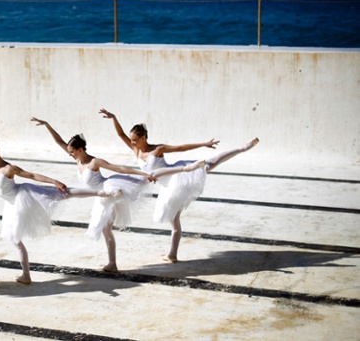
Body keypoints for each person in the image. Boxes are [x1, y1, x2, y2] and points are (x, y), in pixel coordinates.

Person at [31, 117, 206, 272]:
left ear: (80, 149)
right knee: (106, 229)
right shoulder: (77, 158)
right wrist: (47, 124)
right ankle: (112, 263)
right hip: (101, 195)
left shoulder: (94, 162)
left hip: (110, 192)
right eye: (69, 151)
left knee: (111, 223)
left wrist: (141, 174)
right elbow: (59, 141)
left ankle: (186, 168)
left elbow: (118, 168)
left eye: (72, 151)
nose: (69, 154)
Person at [0, 119, 110, 284]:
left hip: (23, 196)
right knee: (15, 240)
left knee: (60, 194)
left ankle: (100, 193)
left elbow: (32, 175)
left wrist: (54, 181)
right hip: (11, 205)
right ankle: (26, 275)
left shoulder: (8, 169)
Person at [99, 109, 259, 263]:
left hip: (178, 176)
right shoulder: (136, 150)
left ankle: (242, 148)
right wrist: (113, 118)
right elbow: (120, 134)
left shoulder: (158, 149)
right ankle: (172, 254)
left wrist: (203, 144)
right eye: (131, 139)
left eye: (135, 139)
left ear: (144, 137)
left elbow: (181, 147)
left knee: (210, 163)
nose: (132, 142)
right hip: (167, 187)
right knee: (174, 221)